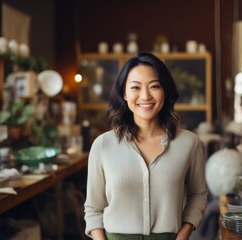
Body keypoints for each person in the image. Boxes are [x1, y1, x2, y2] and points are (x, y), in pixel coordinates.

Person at [84, 52, 208, 240]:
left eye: (154, 86)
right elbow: (93, 207)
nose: (145, 96)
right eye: (135, 87)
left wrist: (184, 233)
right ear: (124, 94)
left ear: (165, 91)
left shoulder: (189, 143)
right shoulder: (103, 145)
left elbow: (198, 194)